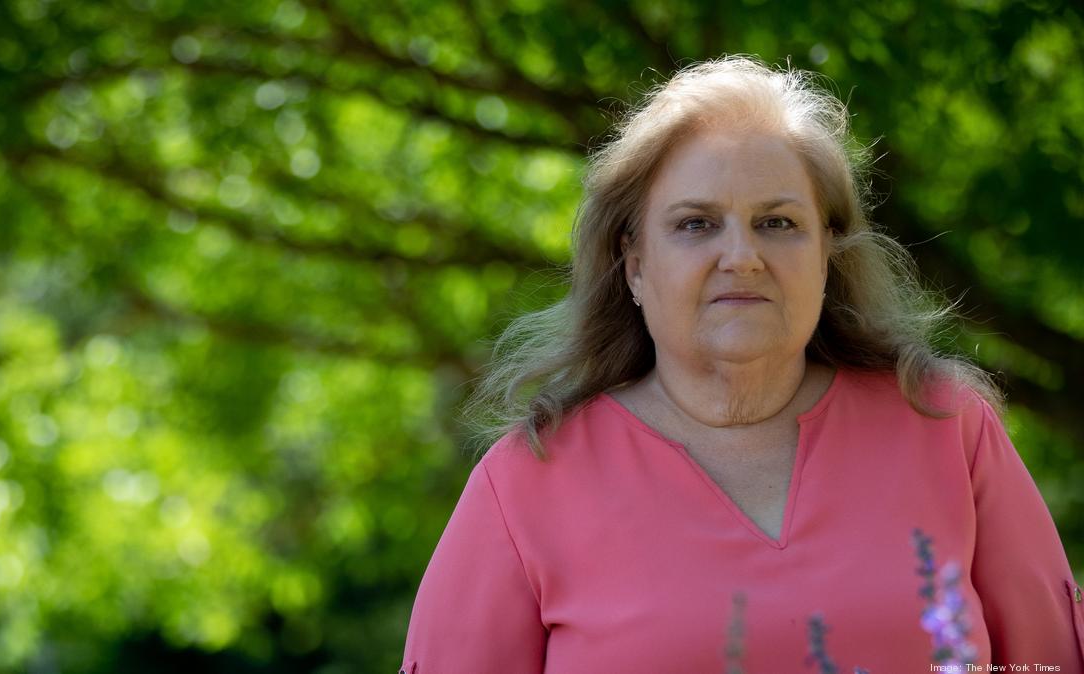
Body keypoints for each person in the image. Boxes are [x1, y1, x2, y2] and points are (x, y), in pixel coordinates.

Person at [399, 56, 1084, 673]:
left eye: (777, 223)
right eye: (696, 224)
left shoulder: (946, 428)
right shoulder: (528, 483)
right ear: (634, 265)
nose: (742, 257)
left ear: (826, 257)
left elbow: (1048, 661)